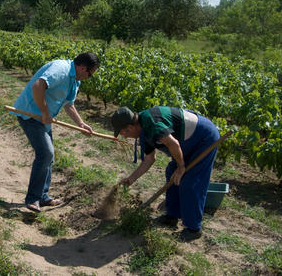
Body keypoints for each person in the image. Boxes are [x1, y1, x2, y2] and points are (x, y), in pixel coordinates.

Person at [111, 106, 220, 241]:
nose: (124, 136)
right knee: (171, 173)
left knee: (190, 182)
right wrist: (131, 179)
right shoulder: (143, 131)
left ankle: (194, 229)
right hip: (185, 142)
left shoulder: (152, 123)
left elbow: (173, 144)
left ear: (130, 127)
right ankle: (171, 216)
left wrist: (181, 168)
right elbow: (150, 159)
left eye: (123, 133)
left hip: (204, 138)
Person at [11, 52, 100, 213]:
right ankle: (33, 199)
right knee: (46, 153)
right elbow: (38, 85)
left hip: (44, 119)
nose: (89, 77)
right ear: (82, 67)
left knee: (48, 157)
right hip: (30, 114)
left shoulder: (75, 80)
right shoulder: (61, 69)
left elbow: (68, 104)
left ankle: (43, 196)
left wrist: (81, 124)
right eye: (90, 74)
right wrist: (45, 112)